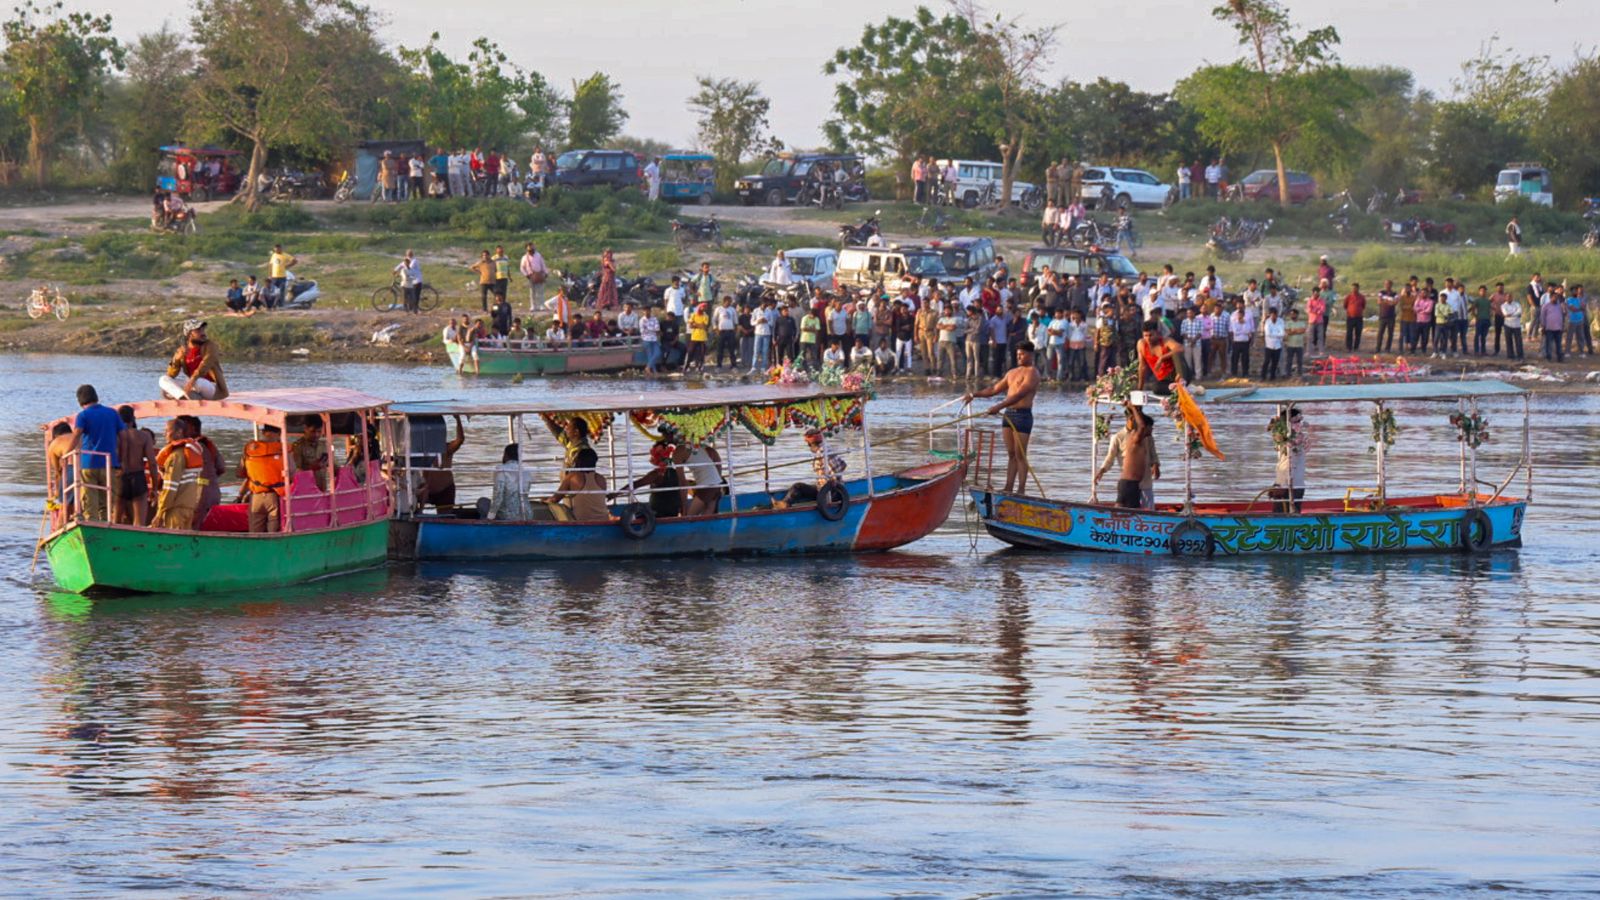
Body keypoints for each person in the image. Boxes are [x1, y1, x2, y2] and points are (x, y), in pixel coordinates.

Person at [964, 343, 1041, 495]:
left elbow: (1019, 394)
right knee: (1011, 454)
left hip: (1022, 416)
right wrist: (974, 395)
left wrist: (998, 407)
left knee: (1020, 454)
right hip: (1008, 414)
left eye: (1022, 354)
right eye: (1018, 354)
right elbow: (994, 389)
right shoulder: (1012, 372)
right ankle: (1008, 487)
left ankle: (1021, 490)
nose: (1019, 357)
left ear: (1030, 355)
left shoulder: (1033, 373)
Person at [1095, 406, 1161, 509]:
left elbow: (1153, 452)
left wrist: (1155, 464)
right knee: (1128, 511)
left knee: (1146, 510)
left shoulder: (1147, 437)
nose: (1152, 430)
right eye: (1150, 428)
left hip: (1145, 480)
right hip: (1130, 481)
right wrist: (1101, 471)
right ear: (1131, 419)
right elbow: (1110, 458)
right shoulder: (1121, 437)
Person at [773, 429, 847, 509]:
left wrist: (830, 481)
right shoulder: (827, 448)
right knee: (800, 487)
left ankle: (785, 504)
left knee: (798, 487)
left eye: (808, 444)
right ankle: (785, 503)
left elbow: (834, 473)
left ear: (811, 444)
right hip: (827, 490)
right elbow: (843, 465)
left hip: (830, 493)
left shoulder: (821, 453)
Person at [158, 319, 229, 401]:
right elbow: (171, 375)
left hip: (211, 387)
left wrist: (191, 381)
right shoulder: (182, 350)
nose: (203, 333)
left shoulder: (210, 346)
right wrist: (176, 361)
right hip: (193, 386)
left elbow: (205, 365)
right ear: (189, 334)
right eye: (198, 330)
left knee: (199, 381)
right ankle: (183, 397)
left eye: (203, 329)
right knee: (163, 379)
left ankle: (189, 395)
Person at [153, 417, 203, 530]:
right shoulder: (189, 454)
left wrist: (159, 514)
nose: (164, 433)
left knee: (172, 544)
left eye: (167, 430)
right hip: (189, 507)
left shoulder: (175, 456)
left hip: (176, 509)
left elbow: (170, 487)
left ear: (179, 432)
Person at [238, 424, 286, 533]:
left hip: (256, 498)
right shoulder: (283, 450)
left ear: (263, 432)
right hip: (275, 497)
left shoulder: (249, 450)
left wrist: (240, 495)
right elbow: (292, 474)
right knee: (274, 533)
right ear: (279, 434)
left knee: (255, 533)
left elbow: (241, 473)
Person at [115, 405, 158, 526]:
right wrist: (154, 488)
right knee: (139, 522)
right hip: (138, 478)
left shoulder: (115, 436)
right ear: (133, 419)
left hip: (119, 478)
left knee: (116, 520)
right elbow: (152, 463)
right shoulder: (144, 436)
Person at [183, 415, 225, 530]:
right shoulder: (208, 445)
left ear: (191, 428)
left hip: (199, 493)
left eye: (181, 426)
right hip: (212, 490)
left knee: (193, 526)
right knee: (204, 525)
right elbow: (221, 468)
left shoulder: (193, 447)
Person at [625, 440, 683, 518]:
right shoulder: (676, 472)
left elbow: (637, 484)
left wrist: (615, 493)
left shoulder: (657, 474)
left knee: (636, 515)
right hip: (673, 512)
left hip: (658, 513)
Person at [1271, 407, 1308, 513]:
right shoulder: (1285, 440)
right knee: (1280, 512)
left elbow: (1292, 460)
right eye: (1297, 421)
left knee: (1287, 512)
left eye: (1299, 421)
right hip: (1284, 484)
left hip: (1293, 484)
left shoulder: (1298, 438)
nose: (1299, 424)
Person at [1115, 408, 1154, 508]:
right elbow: (1141, 425)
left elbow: (1141, 425)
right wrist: (1133, 408)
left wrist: (1138, 409)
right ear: (1145, 427)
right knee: (1126, 512)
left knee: (1128, 512)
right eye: (1151, 427)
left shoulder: (1142, 440)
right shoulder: (1135, 438)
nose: (1152, 430)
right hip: (1128, 484)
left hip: (1132, 484)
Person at [490, 443, 533, 521]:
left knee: (482, 502)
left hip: (507, 516)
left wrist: (490, 517)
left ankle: (487, 528)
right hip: (527, 514)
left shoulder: (501, 469)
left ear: (506, 455)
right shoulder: (527, 471)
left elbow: (498, 497)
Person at [680, 442, 725, 517]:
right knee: (708, 513)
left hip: (711, 484)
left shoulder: (708, 451)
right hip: (715, 483)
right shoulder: (703, 451)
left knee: (691, 515)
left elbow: (717, 469)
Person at [1136, 320, 1180, 394]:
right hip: (1163, 378)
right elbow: (1142, 367)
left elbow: (1180, 348)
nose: (1148, 339)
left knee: (1177, 353)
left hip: (1175, 374)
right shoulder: (1141, 344)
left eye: (1151, 335)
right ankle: (1178, 389)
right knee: (1156, 388)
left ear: (1157, 333)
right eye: (1145, 336)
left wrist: (1162, 358)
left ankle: (1181, 384)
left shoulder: (1166, 341)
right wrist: (1139, 389)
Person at [290, 417, 330, 493]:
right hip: (306, 490)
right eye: (313, 431)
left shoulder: (324, 446)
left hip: (322, 489)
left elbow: (333, 466)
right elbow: (295, 472)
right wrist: (311, 468)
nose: (316, 435)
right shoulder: (298, 446)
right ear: (305, 428)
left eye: (319, 431)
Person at [267, 244, 296, 310]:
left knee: (281, 291)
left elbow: (294, 260)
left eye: (278, 249)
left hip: (282, 276)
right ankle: (274, 304)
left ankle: (281, 305)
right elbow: (270, 265)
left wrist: (288, 266)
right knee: (273, 291)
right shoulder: (273, 255)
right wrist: (269, 274)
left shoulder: (285, 255)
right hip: (274, 277)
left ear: (281, 248)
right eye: (276, 249)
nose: (277, 250)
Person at [520, 242, 548, 312]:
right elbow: (522, 268)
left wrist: (546, 273)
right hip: (531, 276)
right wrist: (526, 275)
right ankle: (533, 306)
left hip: (539, 274)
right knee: (532, 292)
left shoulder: (538, 255)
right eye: (529, 249)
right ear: (526, 249)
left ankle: (541, 305)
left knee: (540, 291)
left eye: (532, 248)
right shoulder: (524, 257)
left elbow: (542, 264)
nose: (531, 250)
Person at [1261, 308, 1285, 380]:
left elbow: (1282, 333)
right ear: (1270, 315)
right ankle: (1263, 376)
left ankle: (1272, 376)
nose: (1274, 317)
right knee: (1266, 361)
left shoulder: (1281, 321)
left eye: (1275, 315)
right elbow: (1268, 333)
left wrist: (1275, 334)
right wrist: (1277, 334)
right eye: (1272, 315)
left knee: (1275, 362)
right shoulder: (1267, 322)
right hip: (1269, 345)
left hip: (1278, 345)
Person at [1343, 282, 1366, 351]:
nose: (1354, 289)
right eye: (1353, 288)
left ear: (1358, 288)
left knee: (1358, 333)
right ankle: (1348, 347)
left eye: (1355, 288)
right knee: (1349, 332)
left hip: (1359, 317)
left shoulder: (1362, 297)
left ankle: (1356, 347)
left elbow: (1363, 306)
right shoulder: (1348, 297)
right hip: (1350, 317)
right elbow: (1345, 305)